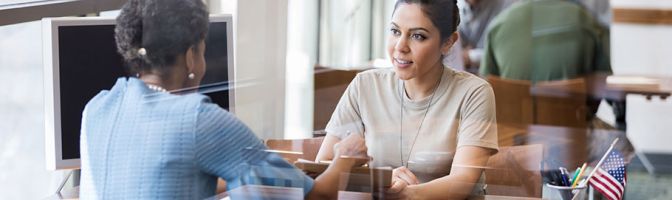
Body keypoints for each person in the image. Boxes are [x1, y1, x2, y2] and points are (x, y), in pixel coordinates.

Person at [78, 0, 369, 199]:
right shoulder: (199, 120)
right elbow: (314, 196)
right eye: (203, 50)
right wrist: (344, 161)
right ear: (191, 57)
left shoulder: (97, 108)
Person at [316, 0, 499, 199]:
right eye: (395, 31)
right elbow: (324, 164)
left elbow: (463, 181)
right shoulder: (365, 86)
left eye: (418, 36)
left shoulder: (474, 92)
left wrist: (407, 194)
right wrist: (382, 179)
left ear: (448, 43)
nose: (400, 46)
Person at [479, 0, 611, 82]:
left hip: (512, 125)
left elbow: (485, 85)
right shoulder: (587, 22)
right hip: (573, 123)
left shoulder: (497, 25)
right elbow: (606, 84)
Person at [458, 0, 518, 70]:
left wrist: (470, 56)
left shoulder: (510, 7)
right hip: (466, 75)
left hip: (495, 78)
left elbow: (506, 57)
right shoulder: (458, 6)